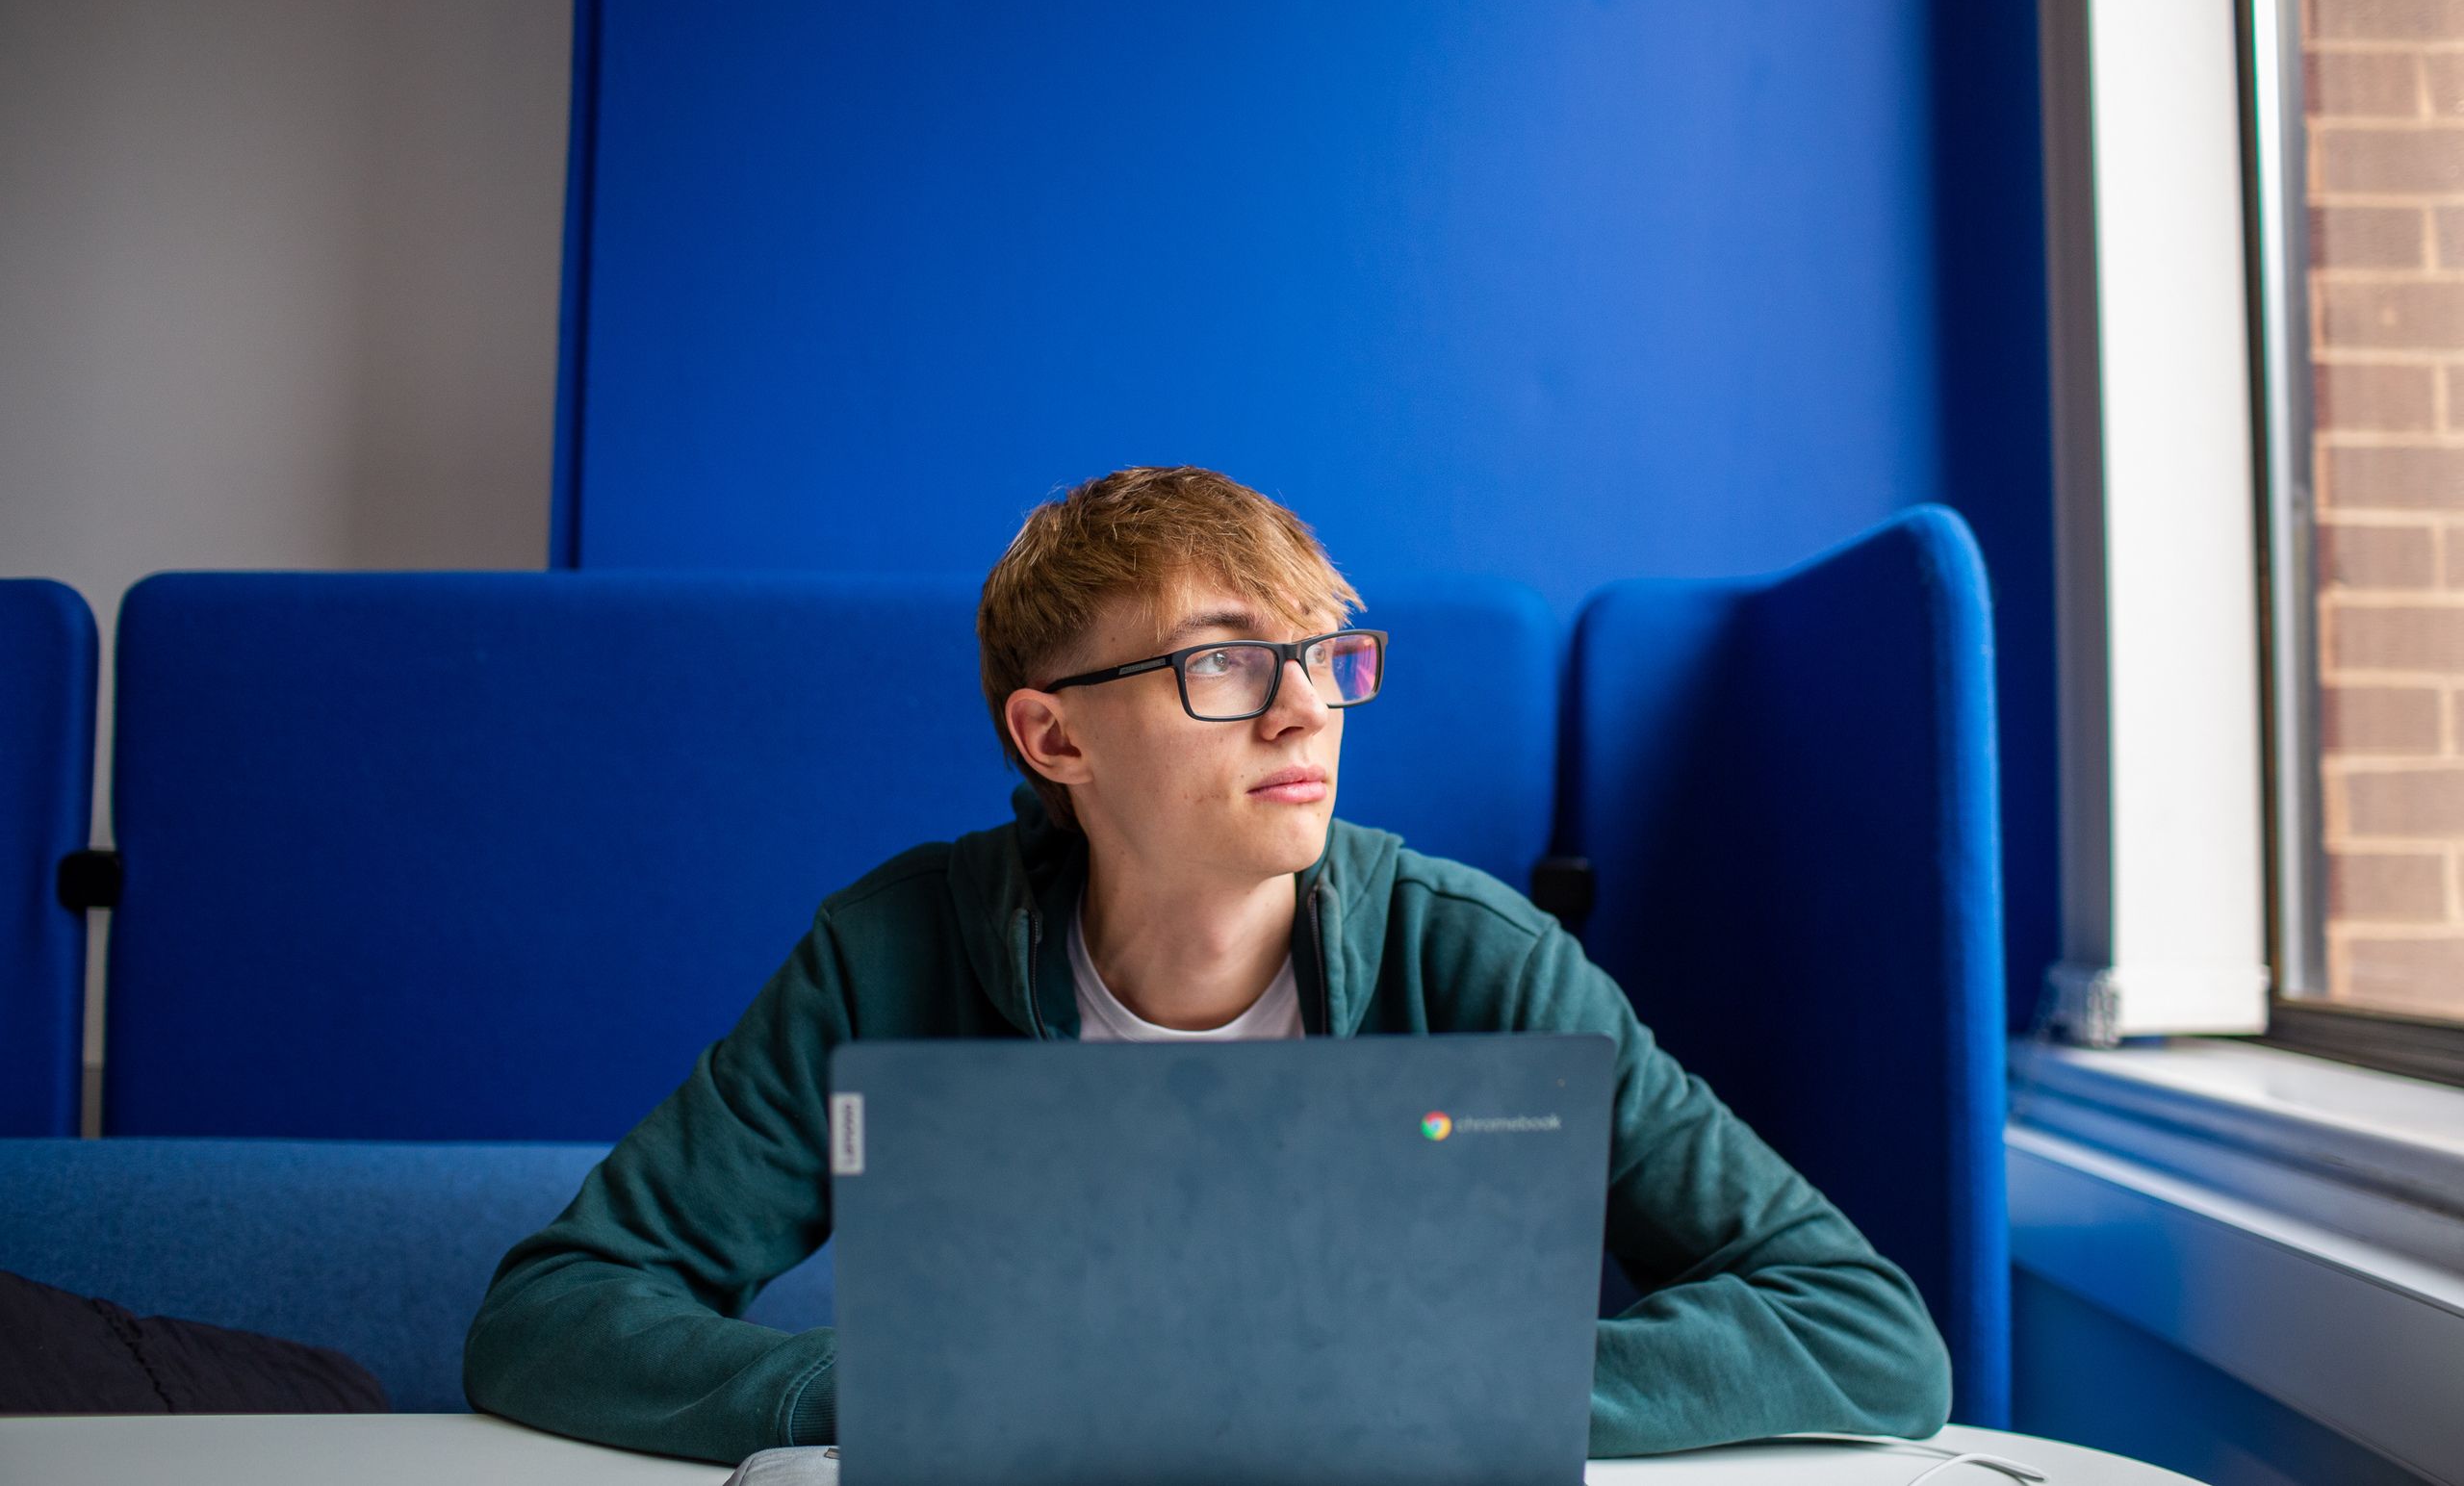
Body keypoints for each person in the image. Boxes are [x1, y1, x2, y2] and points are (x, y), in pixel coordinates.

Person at [462, 464, 1954, 1464]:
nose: (1305, 710)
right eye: (1225, 663)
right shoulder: (891, 951)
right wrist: (886, 1395)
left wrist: (1413, 1401)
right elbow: (555, 1312)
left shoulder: (1474, 956)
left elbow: (1865, 1334)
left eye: (1327, 655)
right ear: (1055, 737)